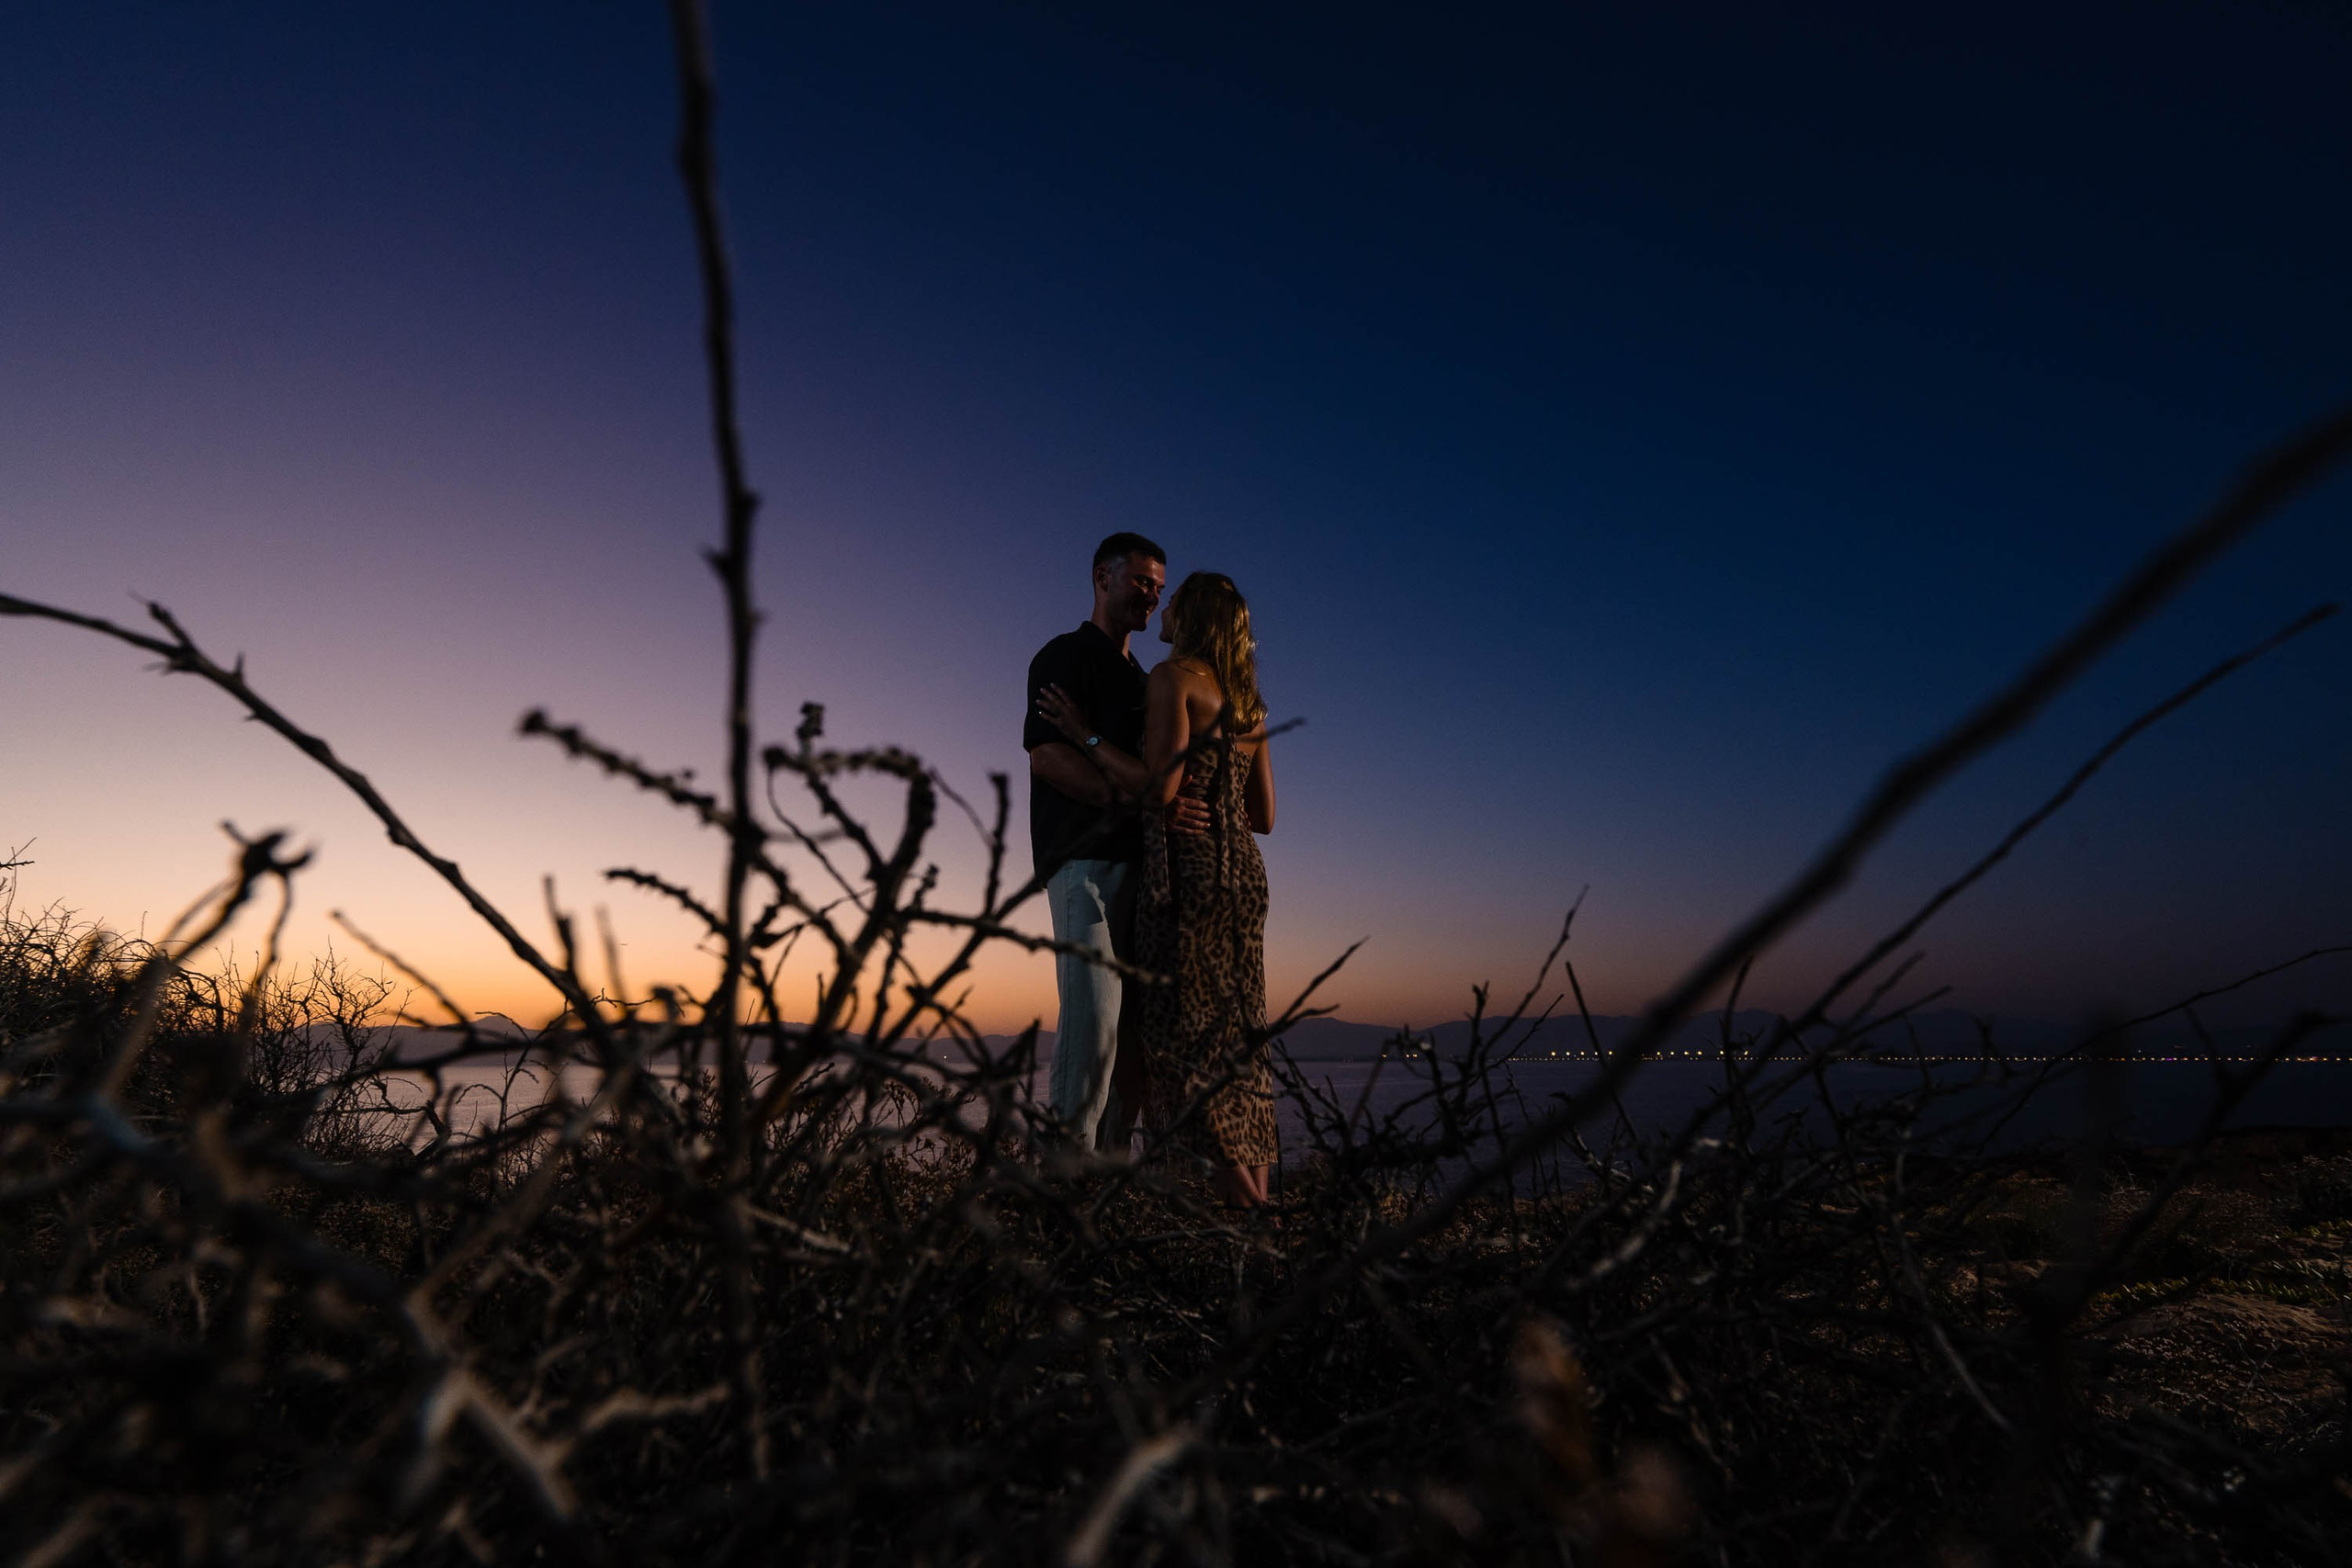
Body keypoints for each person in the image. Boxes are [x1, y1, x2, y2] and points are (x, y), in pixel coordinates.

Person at [1041, 570, 1276, 1208]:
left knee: (1182, 1043)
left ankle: (1251, 1215)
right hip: (1245, 881)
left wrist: (1083, 732)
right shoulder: (1249, 704)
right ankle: (1258, 1197)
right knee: (1236, 1039)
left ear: (1193, 614)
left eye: (1172, 599)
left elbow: (1159, 789)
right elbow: (1265, 817)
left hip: (1189, 875)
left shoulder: (1175, 680)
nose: (1162, 607)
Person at [1023, 532, 1200, 1151]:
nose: (1151, 596)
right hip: (1082, 863)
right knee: (1092, 1018)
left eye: (1159, 586)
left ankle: (1107, 1181)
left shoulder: (1146, 678)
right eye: (1141, 581)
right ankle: (1063, 1182)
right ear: (1103, 576)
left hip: (1143, 872)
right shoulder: (1063, 656)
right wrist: (1140, 805)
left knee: (1135, 1034)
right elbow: (1049, 759)